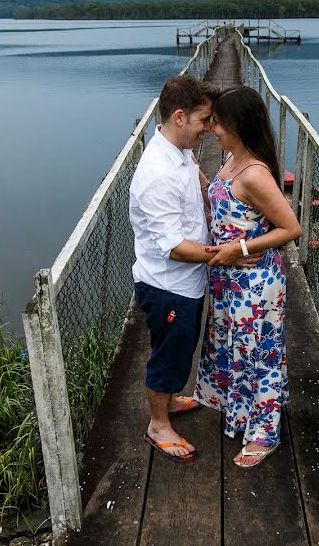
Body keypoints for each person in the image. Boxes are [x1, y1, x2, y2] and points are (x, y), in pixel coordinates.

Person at [129, 75, 254, 463]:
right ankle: (158, 425)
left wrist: (210, 190)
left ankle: (167, 401)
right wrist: (226, 252)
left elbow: (195, 175)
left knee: (178, 350)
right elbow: (175, 248)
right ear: (180, 117)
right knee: (168, 355)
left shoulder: (177, 147)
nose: (209, 128)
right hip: (169, 285)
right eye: (205, 120)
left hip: (184, 283)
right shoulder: (156, 174)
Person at [192, 85, 302, 468]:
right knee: (236, 349)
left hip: (254, 283)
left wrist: (238, 250)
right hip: (230, 282)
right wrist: (201, 181)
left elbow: (291, 228)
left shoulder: (255, 172)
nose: (211, 129)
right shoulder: (230, 158)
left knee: (260, 354)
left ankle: (265, 434)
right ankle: (243, 416)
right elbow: (231, 206)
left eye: (217, 122)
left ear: (237, 124)